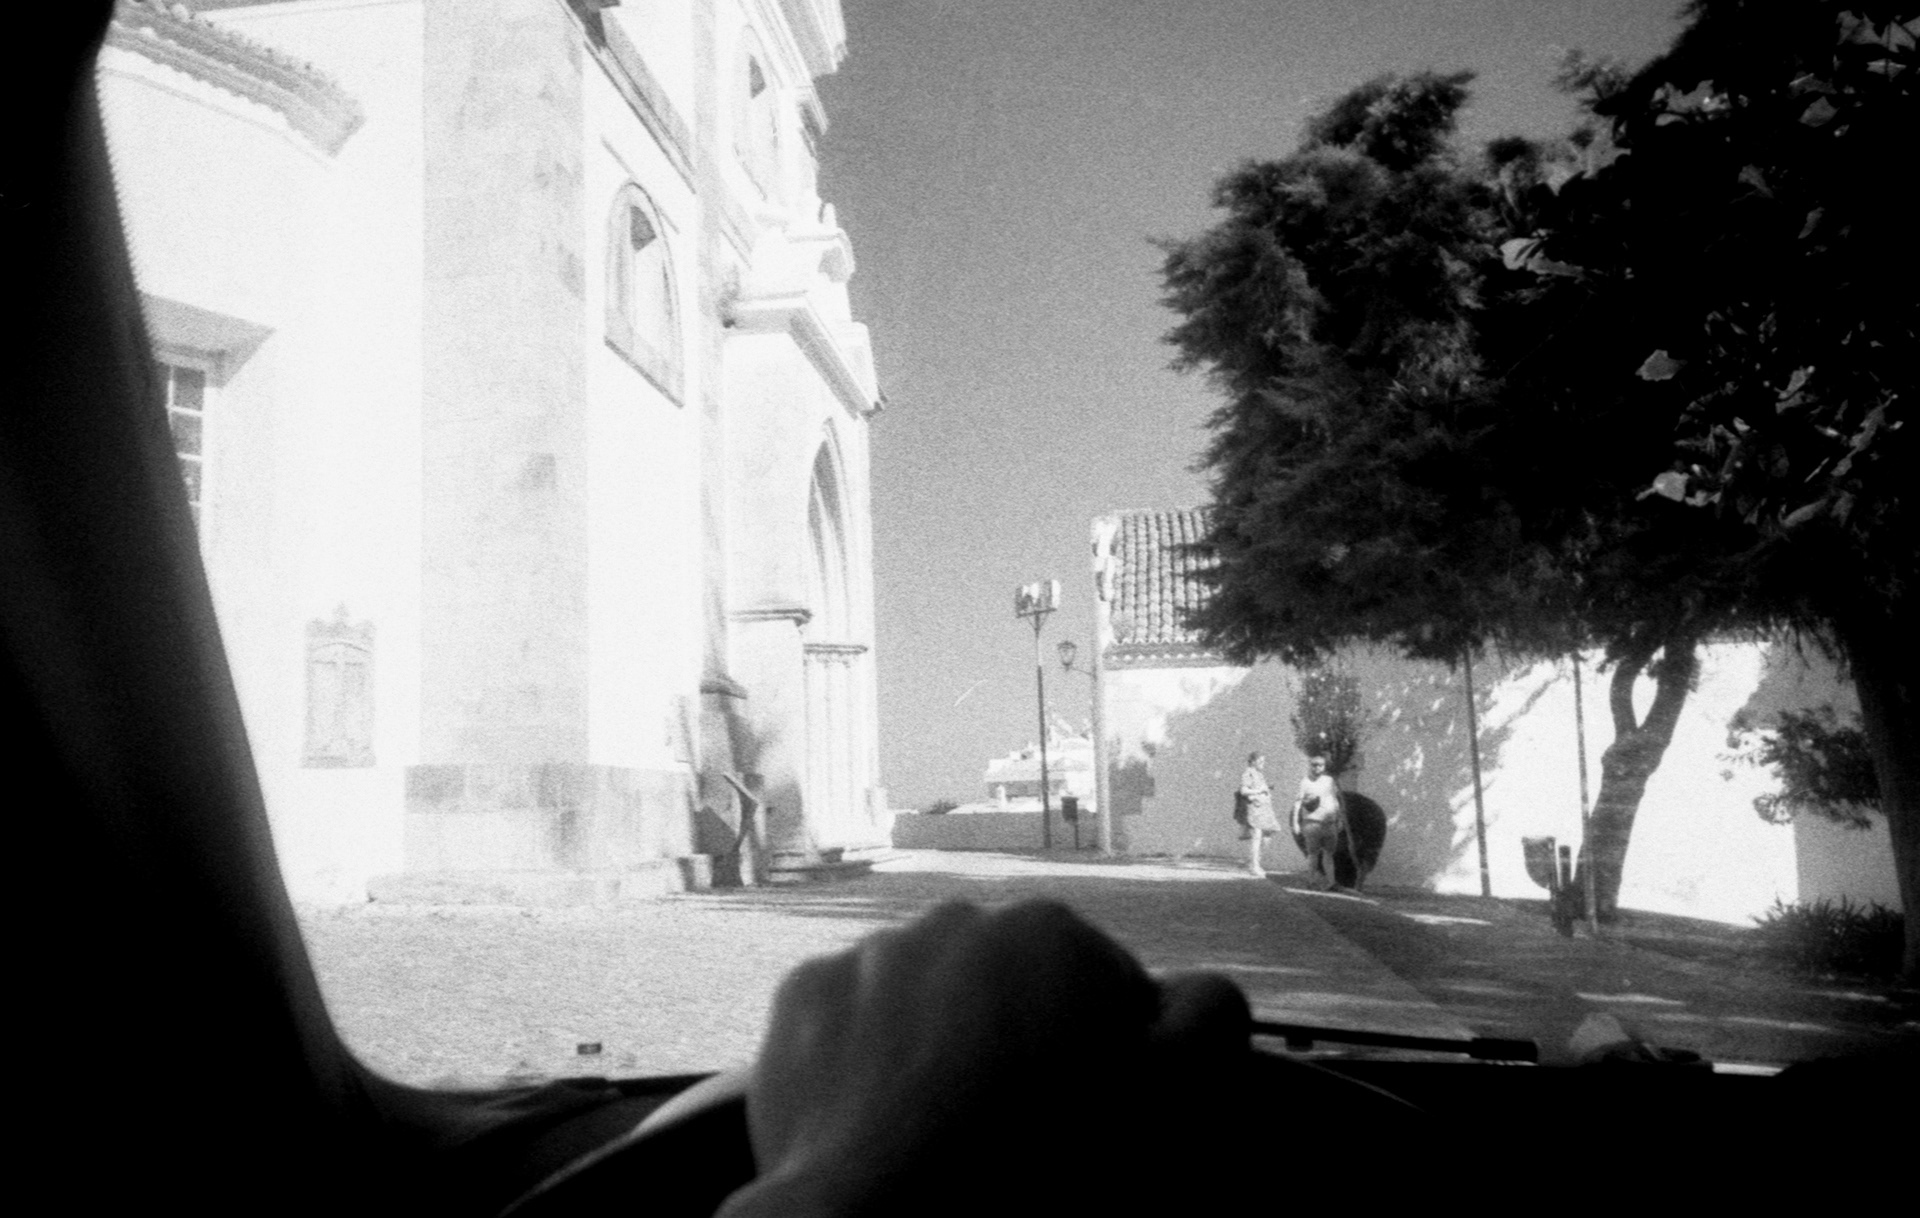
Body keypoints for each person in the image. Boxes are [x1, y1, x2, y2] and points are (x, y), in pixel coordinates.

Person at [1293, 753, 1346, 887]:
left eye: (1320, 765)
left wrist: (1339, 819)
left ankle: (1331, 883)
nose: (1317, 768)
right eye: (1314, 765)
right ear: (1310, 766)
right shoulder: (1305, 782)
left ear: (1324, 766)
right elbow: (1298, 803)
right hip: (1312, 823)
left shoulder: (1329, 781)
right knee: (1313, 854)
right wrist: (1295, 822)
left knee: (1329, 854)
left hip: (1329, 824)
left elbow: (1335, 800)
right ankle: (1311, 882)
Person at [1239, 751, 1280, 877]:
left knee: (1267, 836)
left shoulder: (1259, 774)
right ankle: (1254, 865)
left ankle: (1255, 861)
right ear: (1252, 762)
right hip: (1255, 809)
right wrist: (1259, 790)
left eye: (1263, 761)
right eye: (1260, 761)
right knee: (1256, 837)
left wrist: (1266, 790)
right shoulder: (1248, 773)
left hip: (1264, 808)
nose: (1263, 764)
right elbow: (1243, 790)